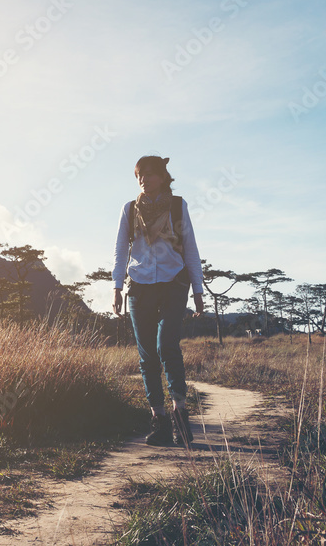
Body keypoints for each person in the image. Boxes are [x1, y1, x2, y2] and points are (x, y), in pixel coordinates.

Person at [111, 156, 204, 447]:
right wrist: (116, 287)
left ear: (163, 176)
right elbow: (119, 251)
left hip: (174, 282)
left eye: (150, 174)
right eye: (140, 175)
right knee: (147, 354)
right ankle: (160, 421)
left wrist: (198, 290)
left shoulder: (177, 206)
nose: (144, 179)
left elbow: (190, 246)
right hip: (139, 286)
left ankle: (180, 416)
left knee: (167, 346)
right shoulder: (129, 209)